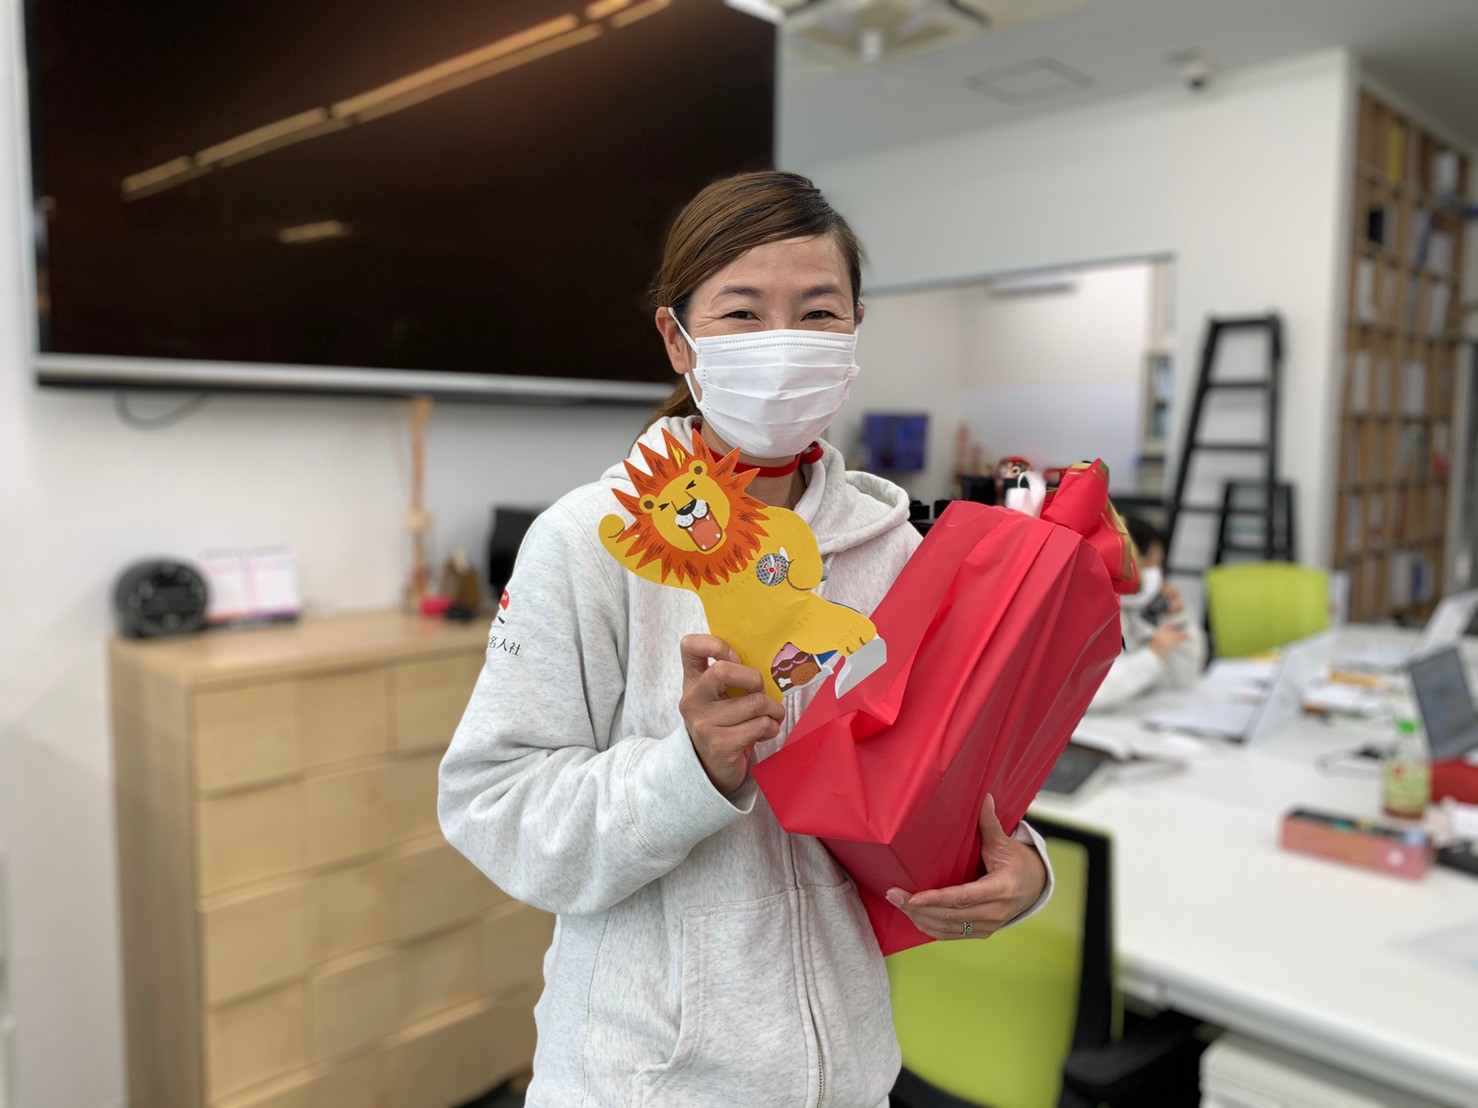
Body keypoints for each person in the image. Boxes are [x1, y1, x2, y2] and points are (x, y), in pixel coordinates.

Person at [439, 171, 1053, 1108]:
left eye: (818, 312)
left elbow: (952, 768)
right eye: (742, 312)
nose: (783, 343)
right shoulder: (593, 541)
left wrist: (1022, 864)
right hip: (647, 1085)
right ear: (677, 337)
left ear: (854, 333)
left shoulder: (899, 551)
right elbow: (496, 809)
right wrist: (687, 769)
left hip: (851, 1077)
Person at [1088, 516, 1207, 711]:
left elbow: (1183, 678)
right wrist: (1152, 655)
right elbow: (1093, 694)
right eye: (1148, 564)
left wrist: (1176, 617)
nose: (1154, 576)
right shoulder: (1086, 613)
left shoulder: (1134, 612)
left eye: (1158, 566)